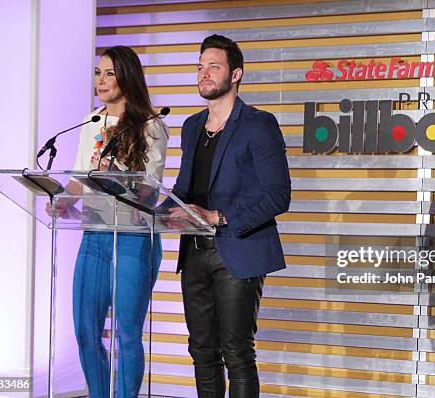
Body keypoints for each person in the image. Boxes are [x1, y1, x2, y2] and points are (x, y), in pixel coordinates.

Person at [159, 34, 291, 397]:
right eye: (200, 67)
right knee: (201, 351)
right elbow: (183, 190)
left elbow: (279, 196)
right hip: (195, 252)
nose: (204, 74)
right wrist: (150, 210)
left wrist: (219, 216)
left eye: (213, 67)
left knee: (237, 352)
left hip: (238, 249)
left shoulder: (259, 124)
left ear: (235, 75)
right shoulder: (190, 126)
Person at [49, 45, 168, 398]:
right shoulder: (92, 122)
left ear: (127, 77)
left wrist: (115, 175)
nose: (100, 80)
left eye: (109, 73)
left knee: (127, 332)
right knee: (86, 331)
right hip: (95, 234)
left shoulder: (151, 125)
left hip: (133, 236)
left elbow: (150, 191)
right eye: (97, 73)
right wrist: (61, 199)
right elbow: (77, 179)